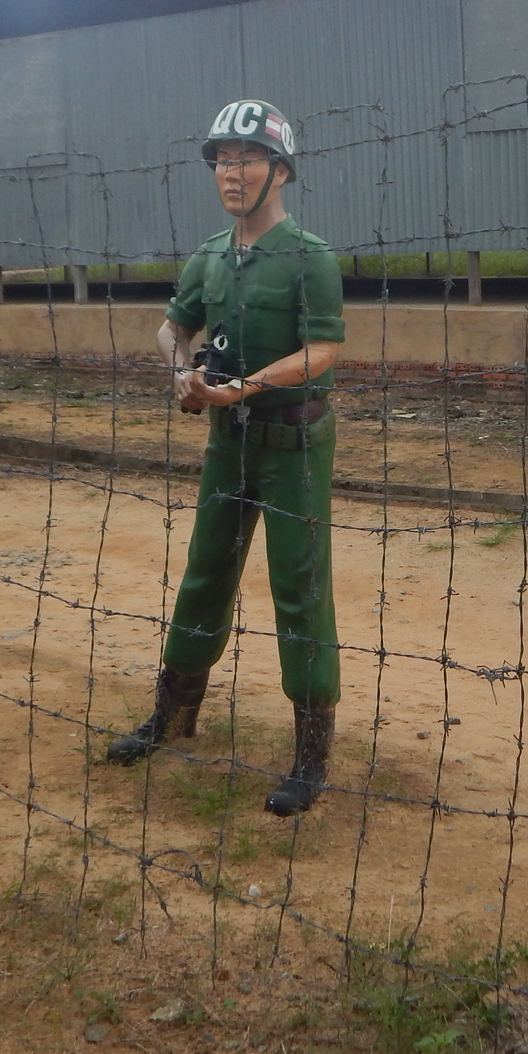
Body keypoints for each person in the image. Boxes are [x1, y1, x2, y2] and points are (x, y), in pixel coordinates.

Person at [107, 100, 345, 816]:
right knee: (204, 572)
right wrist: (182, 370)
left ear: (280, 169)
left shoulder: (311, 257)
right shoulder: (210, 256)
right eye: (222, 160)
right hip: (228, 442)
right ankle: (173, 713)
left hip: (293, 444)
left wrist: (244, 386)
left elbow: (323, 350)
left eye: (245, 158)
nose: (231, 173)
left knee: (299, 586)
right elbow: (170, 328)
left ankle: (311, 752)